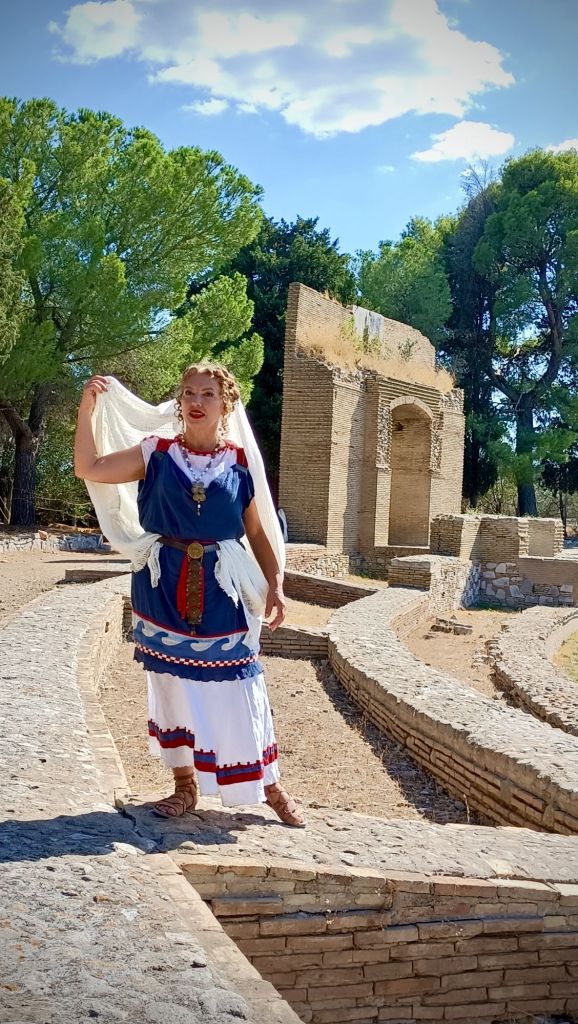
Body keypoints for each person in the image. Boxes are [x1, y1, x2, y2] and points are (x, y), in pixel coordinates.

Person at [74, 363, 305, 827]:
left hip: (223, 588)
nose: (196, 402)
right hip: (162, 586)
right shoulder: (155, 453)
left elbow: (257, 532)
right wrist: (86, 410)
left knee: (240, 685)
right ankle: (184, 786)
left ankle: (270, 785)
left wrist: (277, 585)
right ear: (179, 401)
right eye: (188, 393)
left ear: (226, 404)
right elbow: (89, 468)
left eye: (207, 394)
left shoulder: (239, 463)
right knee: (172, 685)